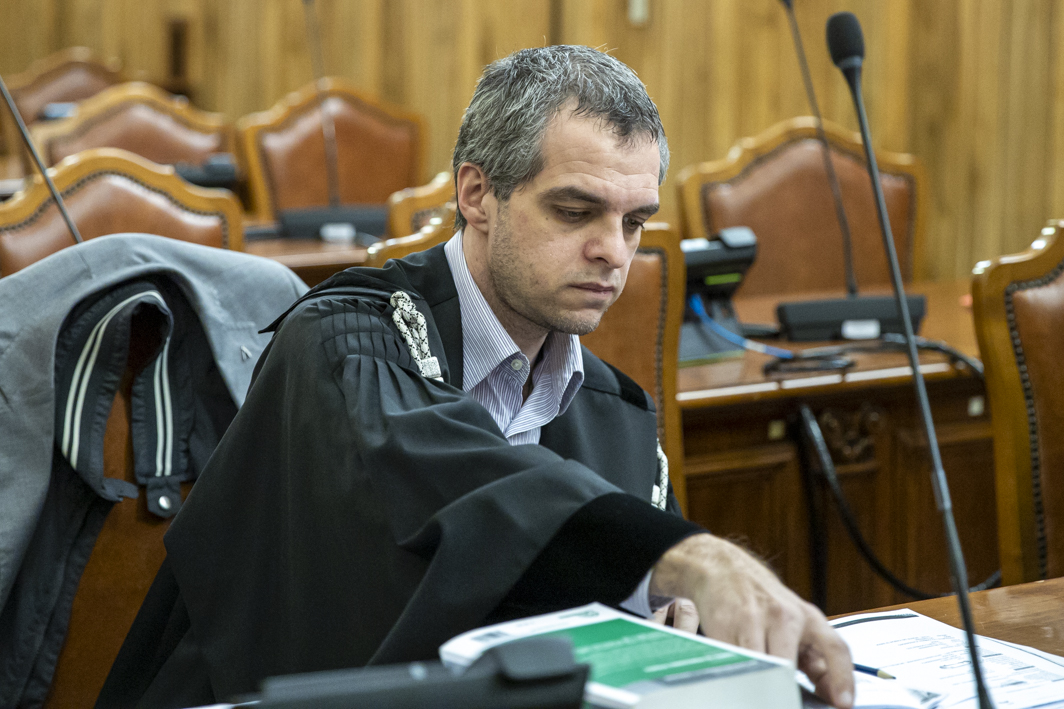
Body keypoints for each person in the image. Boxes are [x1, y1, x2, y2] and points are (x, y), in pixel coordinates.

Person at [97, 45, 853, 709]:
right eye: (575, 211)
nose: (614, 252)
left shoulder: (614, 410)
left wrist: (669, 617)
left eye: (634, 221)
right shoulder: (341, 343)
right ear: (476, 194)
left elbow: (637, 603)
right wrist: (686, 557)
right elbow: (451, 478)